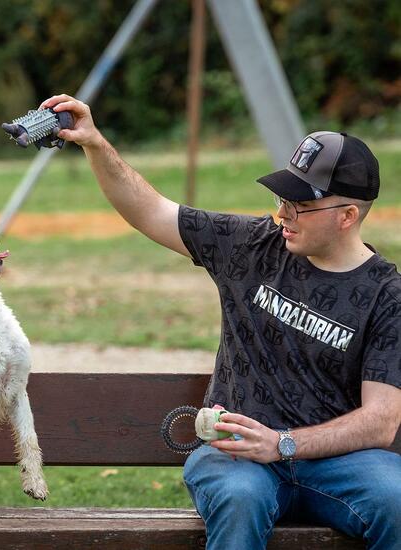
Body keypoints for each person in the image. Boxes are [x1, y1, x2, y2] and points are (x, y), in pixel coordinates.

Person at [39, 94, 401, 549]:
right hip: (234, 456)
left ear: (348, 216)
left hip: (335, 461)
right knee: (241, 496)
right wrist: (94, 142)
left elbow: (382, 421)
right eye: (281, 197)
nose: (283, 213)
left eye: (300, 204)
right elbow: (150, 210)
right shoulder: (252, 245)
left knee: (396, 498)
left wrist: (283, 443)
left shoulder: (387, 295)